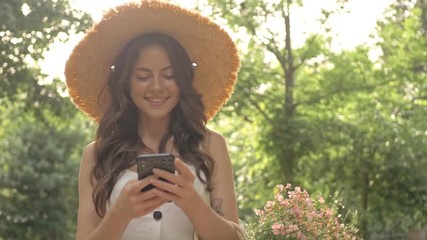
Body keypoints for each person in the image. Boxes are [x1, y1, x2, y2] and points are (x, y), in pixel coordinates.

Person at [64, 1, 244, 240]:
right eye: (143, 76)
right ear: (126, 82)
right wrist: (119, 213)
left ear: (183, 81)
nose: (157, 87)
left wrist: (192, 201)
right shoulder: (97, 154)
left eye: (169, 75)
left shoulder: (211, 145)